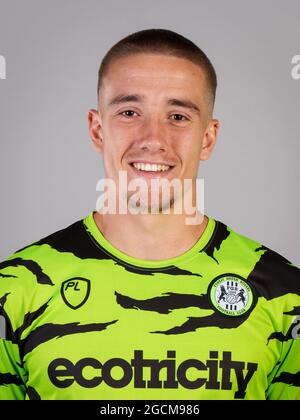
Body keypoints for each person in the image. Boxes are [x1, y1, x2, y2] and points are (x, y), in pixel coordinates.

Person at [0, 28, 299, 401]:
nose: (153, 139)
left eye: (177, 116)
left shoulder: (286, 298)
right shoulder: (13, 291)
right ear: (97, 130)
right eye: (129, 112)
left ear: (208, 138)